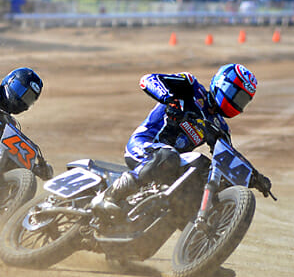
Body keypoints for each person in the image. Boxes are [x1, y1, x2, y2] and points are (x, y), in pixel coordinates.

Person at [92, 63, 270, 217]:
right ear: (222, 83)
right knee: (168, 156)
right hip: (145, 145)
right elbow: (148, 80)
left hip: (170, 164)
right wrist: (170, 101)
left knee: (198, 177)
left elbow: (227, 157)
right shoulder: (190, 87)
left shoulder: (220, 127)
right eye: (236, 94)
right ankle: (110, 196)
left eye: (243, 100)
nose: (237, 102)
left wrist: (255, 177)